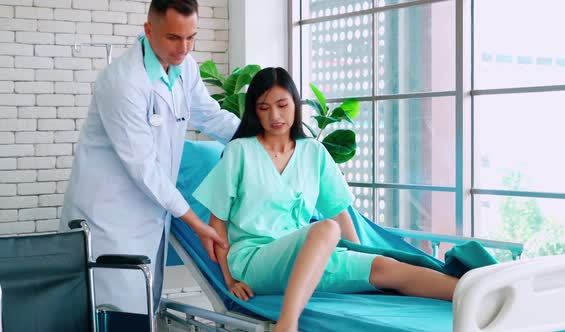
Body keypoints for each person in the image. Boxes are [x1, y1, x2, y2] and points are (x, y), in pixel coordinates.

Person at [193, 67, 459, 332]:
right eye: (264, 108)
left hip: (307, 256)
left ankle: (483, 293)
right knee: (326, 228)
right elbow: (217, 223)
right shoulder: (239, 151)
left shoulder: (313, 152)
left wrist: (358, 258)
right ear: (254, 111)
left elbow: (339, 212)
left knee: (385, 267)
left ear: (295, 104)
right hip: (255, 259)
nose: (274, 115)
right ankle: (287, 324)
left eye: (282, 105)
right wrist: (229, 280)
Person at [59, 0, 239, 314]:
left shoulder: (186, 68)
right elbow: (144, 168)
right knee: (111, 312)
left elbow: (211, 117)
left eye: (191, 37)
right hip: (110, 219)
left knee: (143, 310)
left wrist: (265, 138)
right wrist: (197, 224)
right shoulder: (122, 81)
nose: (183, 48)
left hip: (152, 215)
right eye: (173, 38)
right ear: (148, 30)